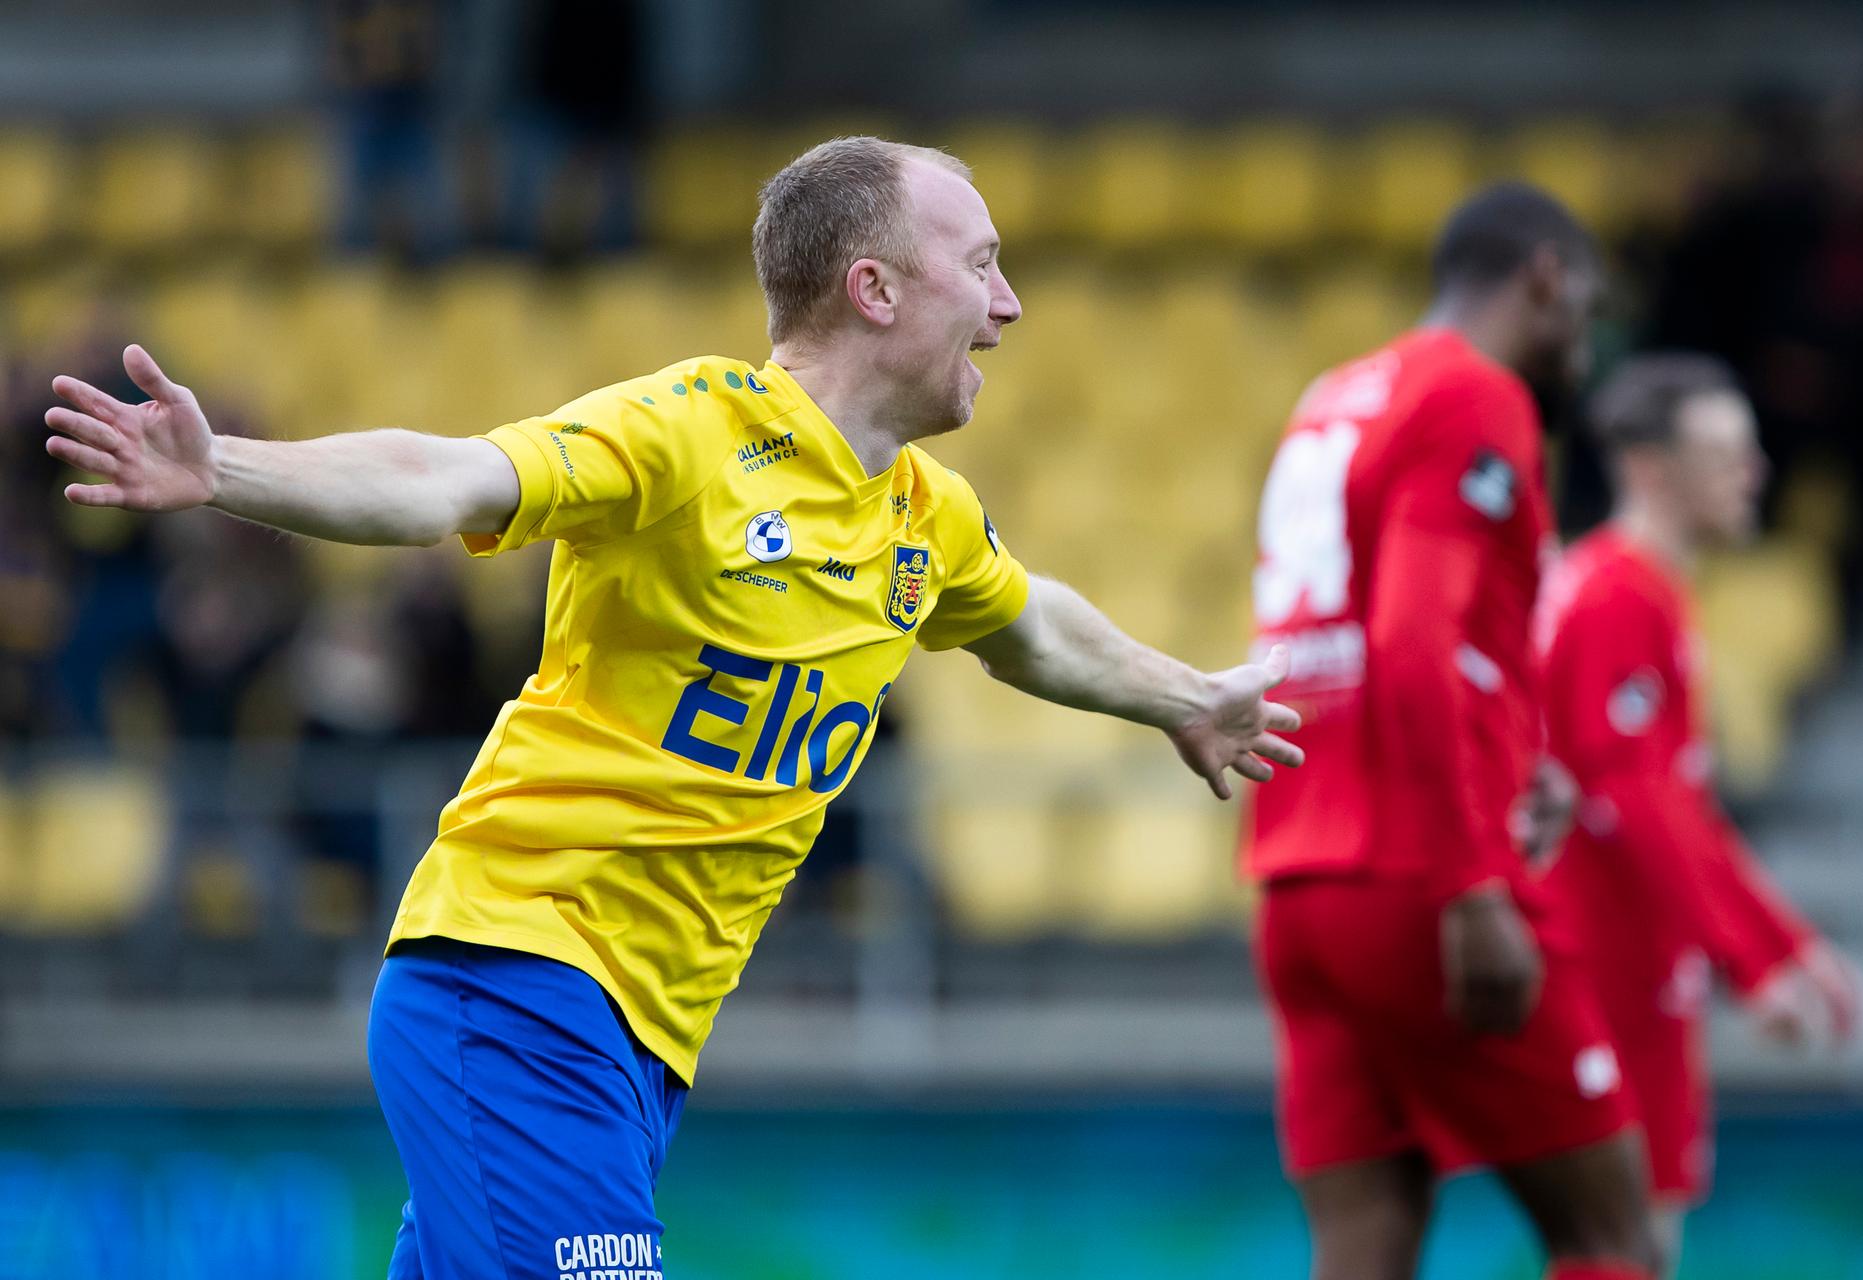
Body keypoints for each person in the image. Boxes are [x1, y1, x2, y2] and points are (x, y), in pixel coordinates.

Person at [42, 136, 1304, 1280]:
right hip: (518, 974)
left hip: (640, 1040)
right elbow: (447, 478)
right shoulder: (691, 432)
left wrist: (1186, 698)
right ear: (875, 288)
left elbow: (1032, 625)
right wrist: (227, 472)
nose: (1008, 302)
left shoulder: (925, 516)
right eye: (981, 264)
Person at [1243, 182, 1661, 1280]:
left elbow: (1345, 636)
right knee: (1617, 1237)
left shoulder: (1335, 395)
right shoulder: (1479, 395)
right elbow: (1412, 643)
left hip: (1300, 884)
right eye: (1590, 305)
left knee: (1363, 1249)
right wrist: (1474, 885)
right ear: (1546, 280)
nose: (1591, 337)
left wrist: (1527, 756)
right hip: (1422, 876)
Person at [1535, 353, 1859, 1277]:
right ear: (1646, 468)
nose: (1751, 472)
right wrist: (1751, 964)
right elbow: (1634, 798)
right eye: (1724, 452)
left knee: (1633, 1241)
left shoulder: (1641, 590)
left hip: (1632, 958)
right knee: (1620, 1242)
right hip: (1605, 964)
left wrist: (1782, 941)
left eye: (1749, 452)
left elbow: (1678, 805)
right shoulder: (1616, 598)